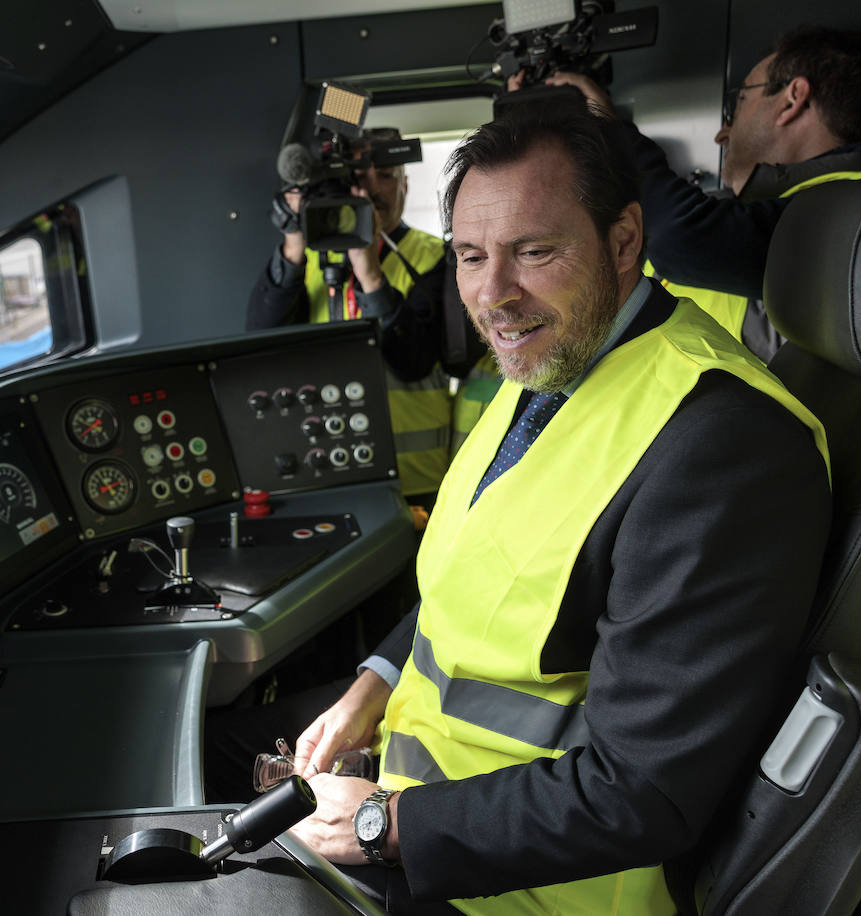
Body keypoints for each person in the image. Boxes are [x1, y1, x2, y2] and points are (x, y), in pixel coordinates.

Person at [281, 101, 832, 914]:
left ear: (623, 241)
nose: (494, 296)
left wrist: (379, 826)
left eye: (533, 252)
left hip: (520, 885)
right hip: (417, 773)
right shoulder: (546, 360)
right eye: (470, 257)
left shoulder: (722, 445)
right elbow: (476, 567)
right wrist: (372, 684)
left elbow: (641, 793)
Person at [544, 26, 861, 360]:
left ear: (792, 100)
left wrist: (609, 129)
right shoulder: (776, 213)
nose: (723, 133)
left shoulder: (853, 209)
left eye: (739, 102)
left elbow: (683, 238)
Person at [246, 127, 460, 510]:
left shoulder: (434, 258)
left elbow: (414, 361)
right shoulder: (303, 261)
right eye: (359, 177)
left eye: (387, 177)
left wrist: (370, 273)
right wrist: (293, 246)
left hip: (417, 480)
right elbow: (259, 344)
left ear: (406, 186)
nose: (373, 189)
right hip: (323, 470)